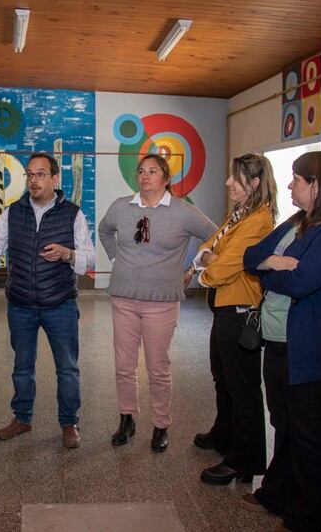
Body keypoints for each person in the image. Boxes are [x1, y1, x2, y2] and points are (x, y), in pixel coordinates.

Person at [241, 151, 321, 531]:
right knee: (283, 423)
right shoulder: (296, 220)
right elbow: (250, 256)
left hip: (307, 349)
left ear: (317, 185)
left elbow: (304, 282)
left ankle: (304, 520)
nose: (289, 186)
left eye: (296, 180)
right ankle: (276, 493)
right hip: (277, 341)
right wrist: (271, 264)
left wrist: (267, 273)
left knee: (308, 435)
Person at [98, 153, 217, 452]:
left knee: (157, 366)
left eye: (153, 171)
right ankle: (127, 417)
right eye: (141, 171)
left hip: (161, 302)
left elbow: (216, 236)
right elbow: (104, 230)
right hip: (124, 297)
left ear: (166, 178)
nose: (145, 176)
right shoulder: (121, 207)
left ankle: (161, 424)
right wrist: (115, 258)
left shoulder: (183, 211)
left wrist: (195, 266)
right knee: (124, 365)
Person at [0, 153, 96, 449]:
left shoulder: (72, 213)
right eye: (30, 175)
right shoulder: (12, 212)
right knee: (22, 367)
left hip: (60, 304)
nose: (33, 180)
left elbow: (90, 257)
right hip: (20, 303)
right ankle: (22, 418)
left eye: (41, 174)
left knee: (67, 368)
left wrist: (67, 254)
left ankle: (69, 422)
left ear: (55, 178)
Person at [191, 154, 277, 484]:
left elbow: (223, 266)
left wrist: (211, 263)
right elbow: (209, 245)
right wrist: (212, 257)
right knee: (222, 377)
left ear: (254, 184)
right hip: (225, 307)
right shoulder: (241, 214)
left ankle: (244, 459)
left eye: (236, 178)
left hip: (240, 310)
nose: (228, 183)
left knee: (243, 389)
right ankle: (223, 434)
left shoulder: (258, 221)